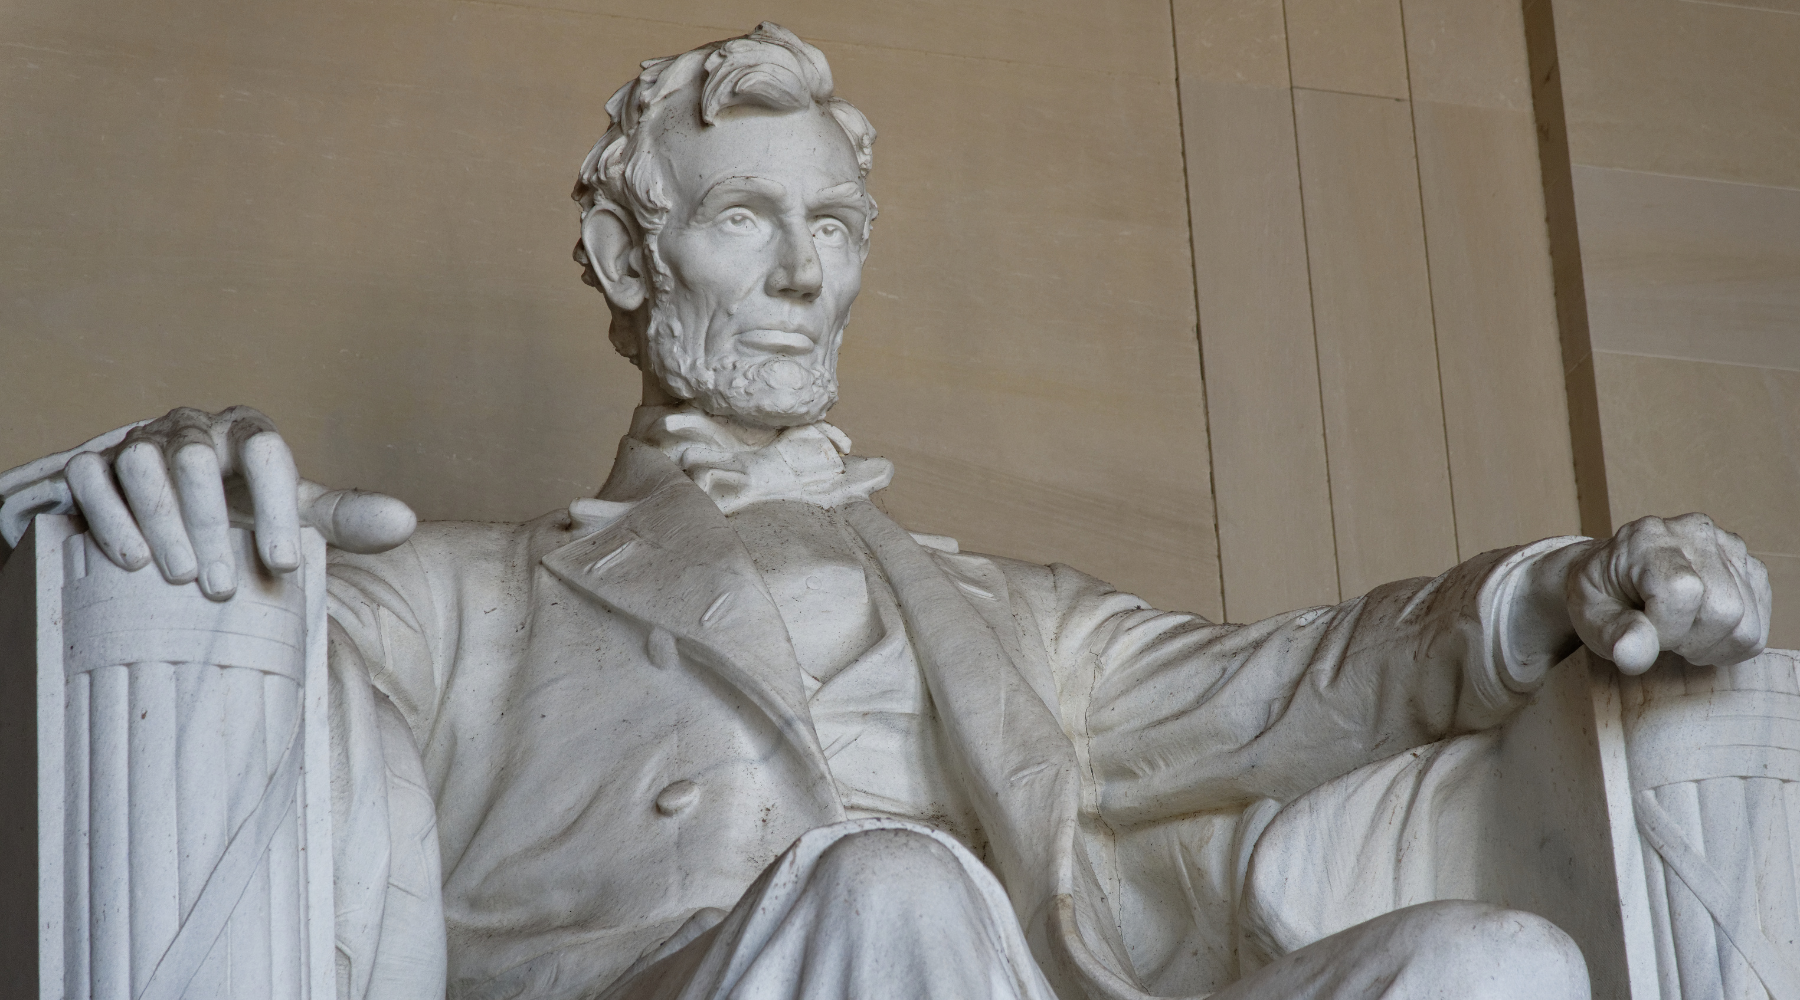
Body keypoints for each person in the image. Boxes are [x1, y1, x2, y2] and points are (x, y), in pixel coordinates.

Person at [0, 23, 1770, 1000]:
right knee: (899, 890)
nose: (798, 278)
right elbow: (247, 599)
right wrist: (159, 476)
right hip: (715, 979)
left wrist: (1558, 587)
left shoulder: (1015, 613)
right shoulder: (473, 596)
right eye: (742, 222)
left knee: (1496, 964)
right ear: (629, 254)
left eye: (831, 228)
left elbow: (1299, 683)